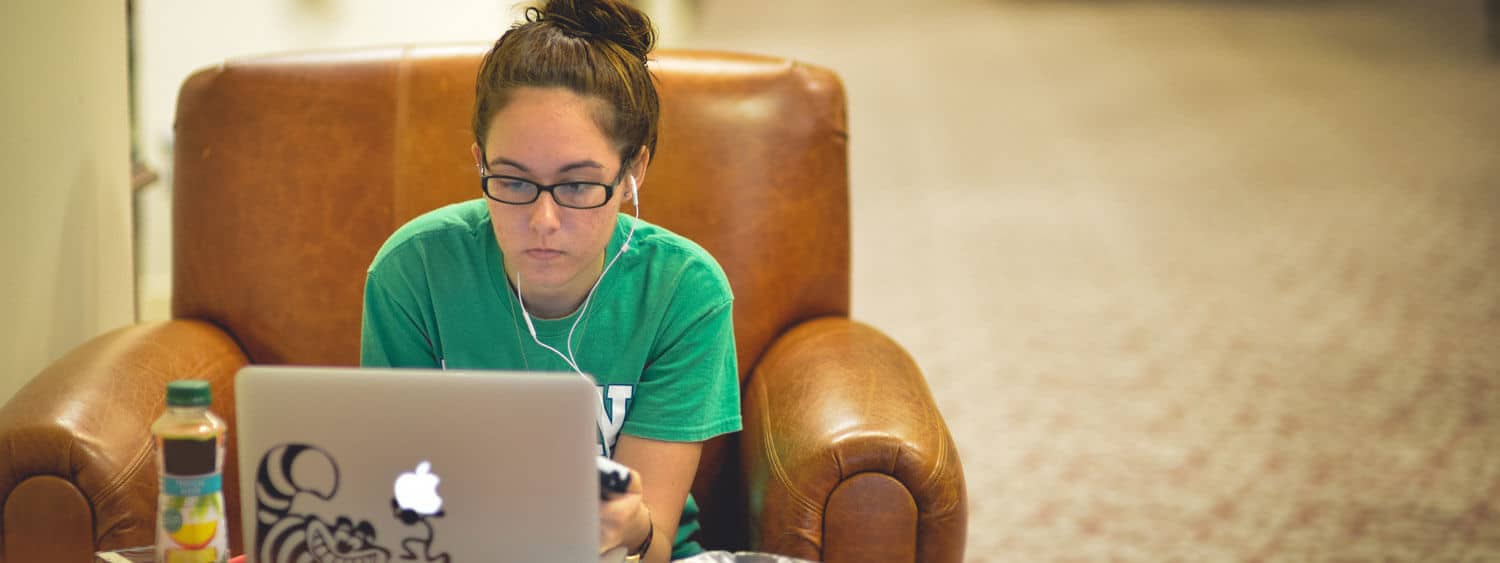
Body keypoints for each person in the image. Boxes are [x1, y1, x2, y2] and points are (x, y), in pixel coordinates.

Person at [358, 1, 742, 561]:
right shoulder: (413, 272)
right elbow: (392, 502)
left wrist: (629, 525)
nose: (543, 221)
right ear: (479, 160)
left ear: (633, 170)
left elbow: (653, 544)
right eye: (512, 181)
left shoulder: (683, 292)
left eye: (579, 185)